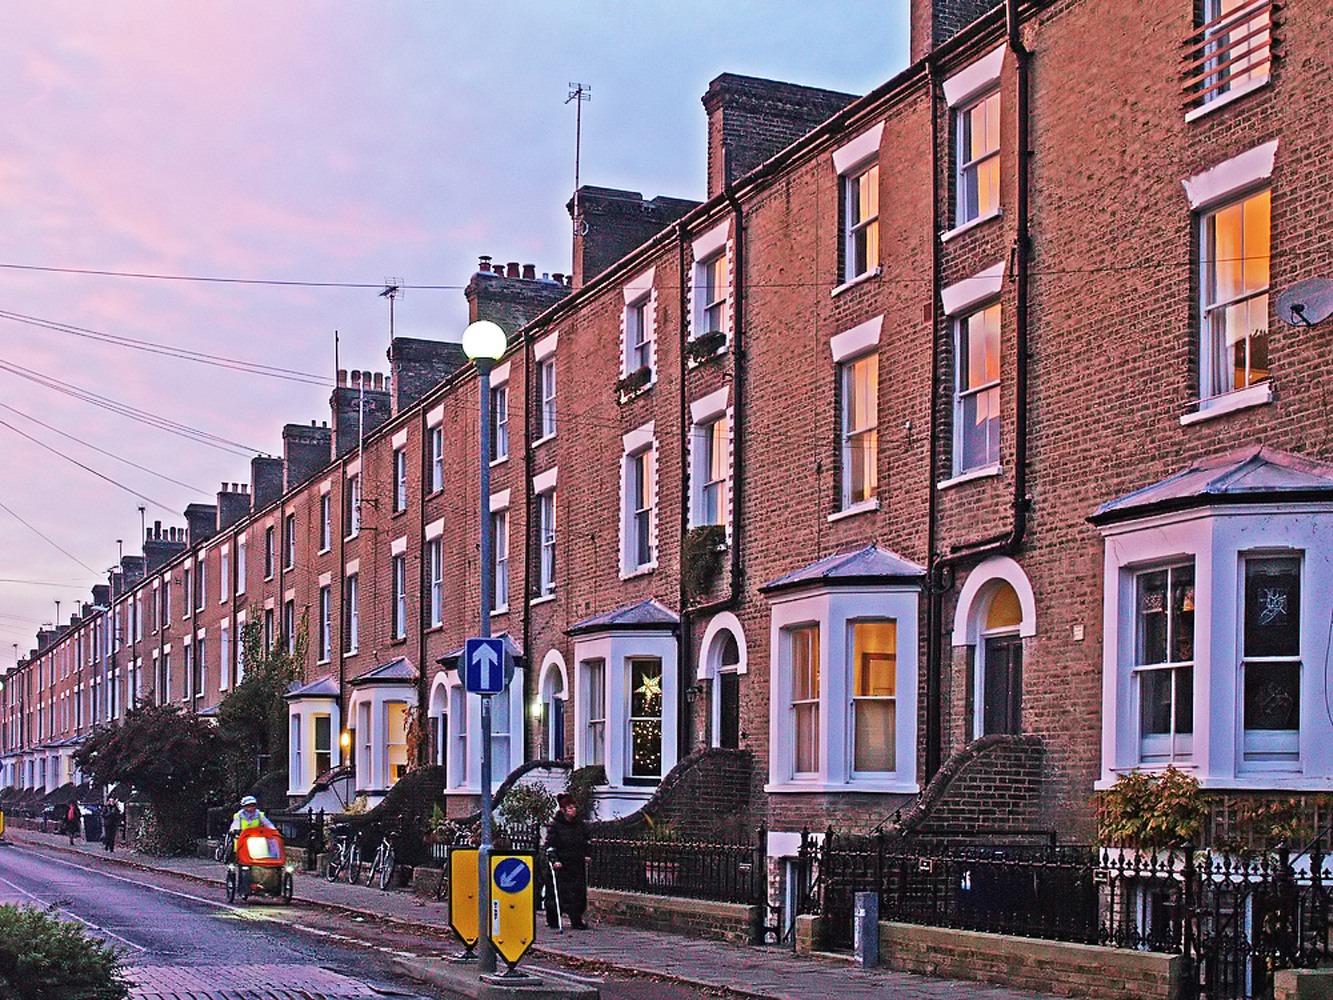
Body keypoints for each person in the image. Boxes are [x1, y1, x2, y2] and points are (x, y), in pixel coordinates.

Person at [544, 793, 590, 930]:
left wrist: (586, 854)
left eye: (574, 807)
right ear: (563, 810)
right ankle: (553, 919)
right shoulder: (556, 826)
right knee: (557, 892)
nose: (574, 810)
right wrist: (555, 859)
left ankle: (576, 919)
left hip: (575, 863)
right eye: (570, 808)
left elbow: (585, 840)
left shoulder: (579, 825)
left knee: (577, 893)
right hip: (561, 865)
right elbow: (550, 844)